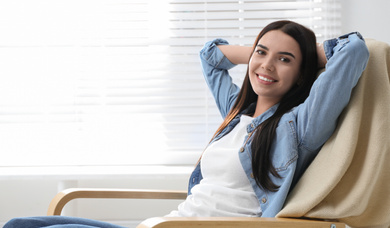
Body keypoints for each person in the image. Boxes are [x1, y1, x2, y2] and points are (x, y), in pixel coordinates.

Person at [4, 20, 369, 227]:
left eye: (284, 60)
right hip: (169, 222)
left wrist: (306, 55)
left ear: (303, 71)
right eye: (261, 54)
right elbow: (210, 56)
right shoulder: (236, 110)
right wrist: (262, 51)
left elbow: (353, 50)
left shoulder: (298, 127)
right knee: (21, 226)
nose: (266, 66)